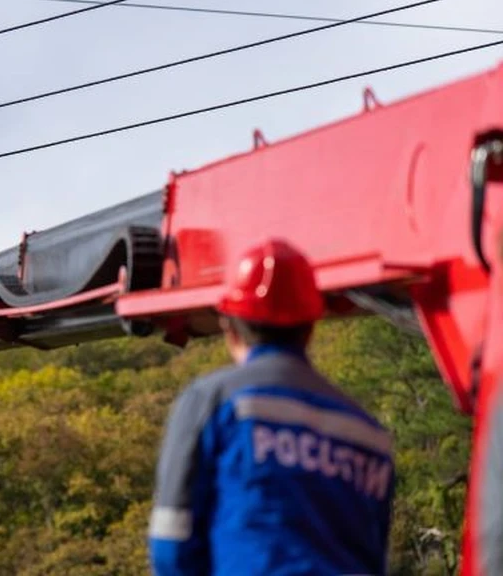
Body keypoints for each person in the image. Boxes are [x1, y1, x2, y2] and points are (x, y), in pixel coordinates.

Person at [148, 239, 394, 575]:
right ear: (310, 327)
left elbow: (171, 543)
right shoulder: (370, 434)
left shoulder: (212, 401)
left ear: (229, 327)